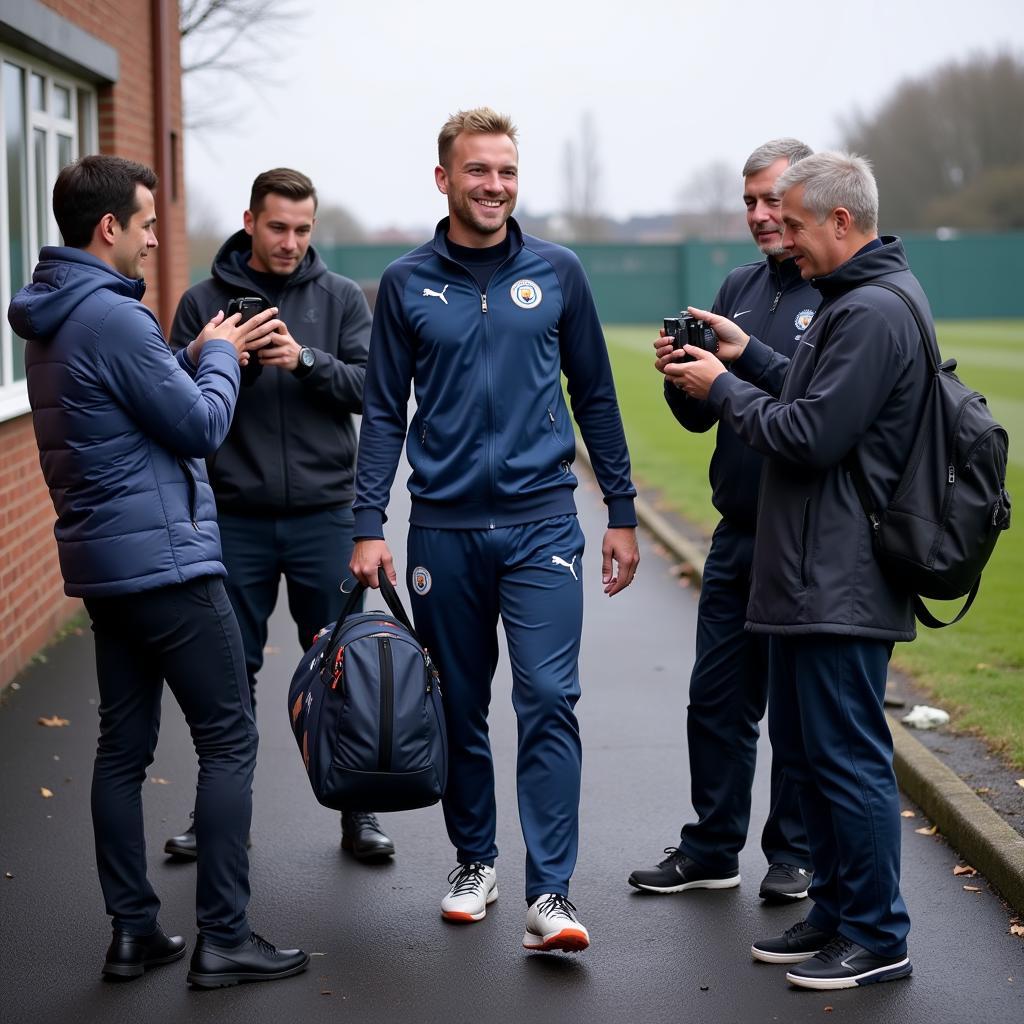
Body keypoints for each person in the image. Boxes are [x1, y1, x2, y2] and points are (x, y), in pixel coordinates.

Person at [7, 155, 308, 987]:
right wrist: (219, 358)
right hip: (170, 568)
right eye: (144, 224)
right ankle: (224, 937)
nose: (150, 240)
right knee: (229, 740)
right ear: (109, 228)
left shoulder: (57, 315)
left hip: (107, 570)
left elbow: (128, 409)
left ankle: (134, 932)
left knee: (121, 750)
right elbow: (202, 427)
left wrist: (203, 349)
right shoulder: (115, 318)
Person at [349, 107, 640, 953]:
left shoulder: (558, 272)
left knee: (549, 699)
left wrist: (620, 510)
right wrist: (369, 523)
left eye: (507, 171)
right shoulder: (406, 282)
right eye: (479, 171)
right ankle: (474, 861)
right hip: (443, 529)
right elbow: (381, 412)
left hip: (543, 521)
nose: (495, 186)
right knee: (460, 707)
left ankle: (551, 893)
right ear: (444, 179)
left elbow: (596, 393)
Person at [665, 151, 925, 990]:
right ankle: (840, 913)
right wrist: (749, 357)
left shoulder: (873, 310)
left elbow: (809, 437)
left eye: (799, 222)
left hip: (840, 573)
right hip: (813, 567)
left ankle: (879, 935)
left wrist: (720, 388)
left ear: (842, 222)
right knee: (814, 754)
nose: (787, 237)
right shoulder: (858, 302)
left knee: (845, 757)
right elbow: (816, 404)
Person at [169, 169, 394, 862]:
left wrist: (304, 360)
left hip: (326, 515)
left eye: (302, 229)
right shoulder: (203, 301)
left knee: (342, 667)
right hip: (233, 517)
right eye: (278, 227)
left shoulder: (341, 300)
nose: (291, 241)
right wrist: (225, 359)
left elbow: (372, 391)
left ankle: (359, 815)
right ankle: (214, 818)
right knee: (227, 673)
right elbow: (174, 398)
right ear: (249, 221)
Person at [629, 139, 815, 902]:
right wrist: (683, 373)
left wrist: (737, 372)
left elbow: (815, 411)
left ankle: (796, 855)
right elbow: (701, 416)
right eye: (750, 202)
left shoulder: (837, 292)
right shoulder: (739, 284)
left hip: (807, 538)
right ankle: (712, 847)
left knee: (799, 712)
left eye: (773, 200)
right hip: (737, 530)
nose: (761, 216)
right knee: (716, 699)